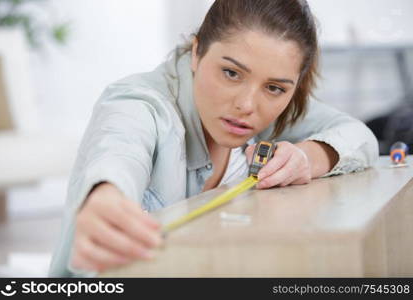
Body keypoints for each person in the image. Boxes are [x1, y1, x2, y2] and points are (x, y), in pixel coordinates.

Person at [49, 0, 378, 277]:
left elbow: (357, 134)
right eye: (231, 73)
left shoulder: (275, 111)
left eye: (275, 88)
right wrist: (106, 195)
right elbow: (118, 148)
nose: (247, 106)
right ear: (196, 52)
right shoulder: (140, 103)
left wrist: (307, 157)